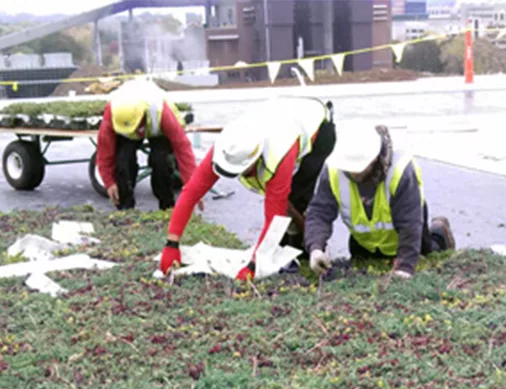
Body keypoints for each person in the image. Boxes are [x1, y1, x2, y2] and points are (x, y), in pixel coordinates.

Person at [158, 97, 335, 281]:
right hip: (280, 117)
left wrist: (253, 265)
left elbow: (274, 216)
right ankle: (288, 249)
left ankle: (307, 251)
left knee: (297, 199)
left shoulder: (278, 154)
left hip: (319, 128)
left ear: (255, 160)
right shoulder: (227, 146)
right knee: (282, 222)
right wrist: (172, 244)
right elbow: (190, 193)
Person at [303, 123, 454, 280]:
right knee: (365, 261)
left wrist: (404, 267)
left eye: (360, 168)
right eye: (350, 169)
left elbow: (410, 224)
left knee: (428, 252)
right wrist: (316, 248)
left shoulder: (401, 171)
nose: (354, 174)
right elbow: (319, 212)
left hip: (405, 234)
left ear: (374, 158)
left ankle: (439, 233)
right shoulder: (334, 170)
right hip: (365, 240)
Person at [95, 79, 198, 211]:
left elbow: (182, 148)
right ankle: (125, 209)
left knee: (160, 160)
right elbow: (104, 152)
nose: (135, 130)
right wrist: (109, 182)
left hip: (158, 129)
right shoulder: (113, 113)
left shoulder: (161, 111)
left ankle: (167, 208)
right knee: (123, 160)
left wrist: (193, 188)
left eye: (136, 127)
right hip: (130, 123)